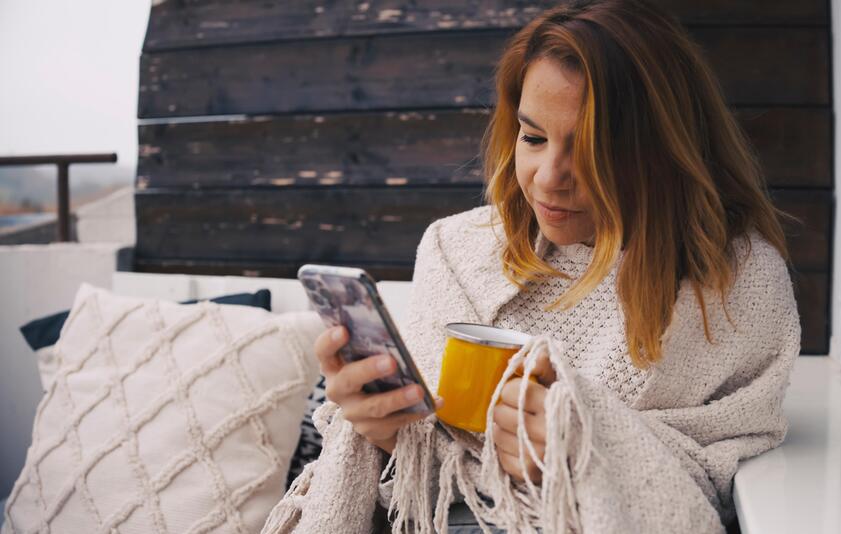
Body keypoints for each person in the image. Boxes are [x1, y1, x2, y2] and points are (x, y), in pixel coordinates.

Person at [263, 1, 801, 532]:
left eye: (591, 150)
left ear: (663, 148)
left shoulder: (733, 282)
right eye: (533, 137)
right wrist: (379, 431)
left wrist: (586, 446)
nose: (548, 177)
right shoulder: (456, 249)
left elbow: (711, 485)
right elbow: (421, 473)